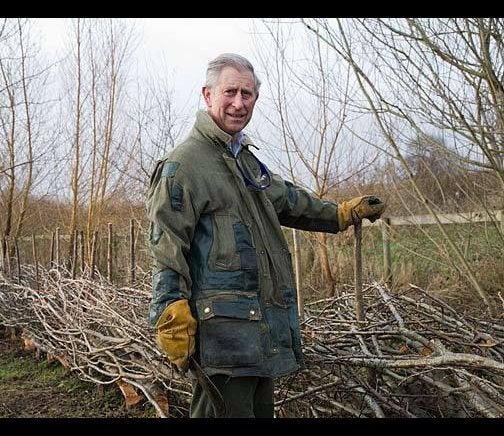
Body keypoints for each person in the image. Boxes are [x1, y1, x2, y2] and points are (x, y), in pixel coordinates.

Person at [146, 53, 386, 418]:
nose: (239, 103)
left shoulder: (243, 160)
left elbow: (289, 200)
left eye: (248, 94)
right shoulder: (184, 166)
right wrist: (169, 308)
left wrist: (339, 214)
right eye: (230, 92)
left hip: (257, 332)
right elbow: (166, 247)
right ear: (207, 95)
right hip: (222, 339)